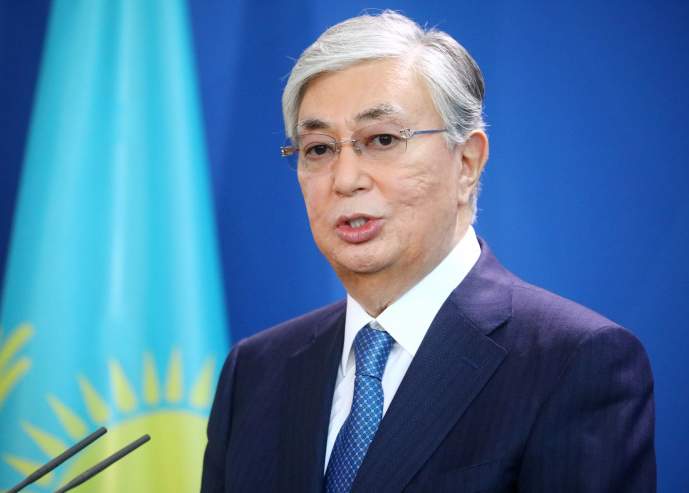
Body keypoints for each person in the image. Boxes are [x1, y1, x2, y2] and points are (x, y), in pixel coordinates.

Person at [202, 11, 655, 492]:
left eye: (382, 139)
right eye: (318, 149)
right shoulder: (253, 371)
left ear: (467, 163)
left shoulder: (574, 361)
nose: (345, 179)